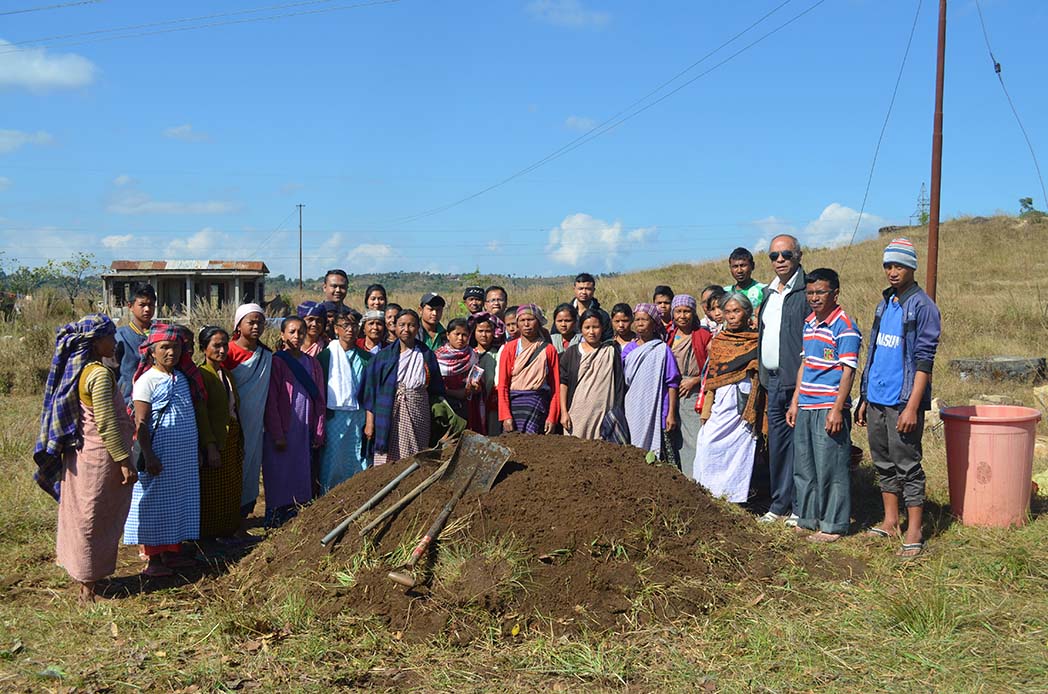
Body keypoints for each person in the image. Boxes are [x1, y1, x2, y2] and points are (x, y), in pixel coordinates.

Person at [35, 314, 136, 603]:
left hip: (82, 456)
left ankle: (86, 580)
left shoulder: (82, 372)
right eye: (110, 337)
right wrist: (124, 461)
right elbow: (106, 423)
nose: (115, 342)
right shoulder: (99, 375)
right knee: (95, 519)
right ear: (96, 342)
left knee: (83, 517)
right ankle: (89, 589)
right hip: (100, 459)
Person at [856, 238, 941, 559]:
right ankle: (891, 520)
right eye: (888, 266)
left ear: (912, 267)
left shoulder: (923, 306)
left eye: (899, 266)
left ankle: (914, 528)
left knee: (907, 464)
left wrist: (912, 406)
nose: (892, 272)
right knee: (882, 461)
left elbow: (924, 361)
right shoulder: (885, 303)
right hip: (877, 397)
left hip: (902, 400)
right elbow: (875, 352)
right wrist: (864, 397)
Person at [785, 268, 861, 543]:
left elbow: (848, 370)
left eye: (820, 292)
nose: (814, 298)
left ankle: (833, 524)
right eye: (810, 293)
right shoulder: (809, 323)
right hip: (806, 404)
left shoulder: (844, 326)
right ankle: (808, 518)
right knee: (804, 466)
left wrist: (838, 409)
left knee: (831, 466)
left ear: (835, 293)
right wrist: (795, 401)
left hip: (828, 405)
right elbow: (805, 364)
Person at [124, 324, 205, 577]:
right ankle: (154, 559)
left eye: (176, 347)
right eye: (165, 347)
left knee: (178, 503)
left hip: (181, 459)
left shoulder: (181, 377)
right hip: (158, 456)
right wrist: (149, 456)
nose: (171, 352)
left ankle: (172, 553)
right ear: (151, 352)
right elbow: (141, 424)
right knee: (154, 505)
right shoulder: (147, 381)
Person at [756, 234, 807, 524]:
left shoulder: (807, 290)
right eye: (774, 256)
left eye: (785, 255)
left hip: (799, 381)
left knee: (800, 445)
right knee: (777, 445)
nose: (779, 261)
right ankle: (779, 504)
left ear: (798, 256)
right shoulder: (768, 293)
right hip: (772, 380)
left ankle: (800, 507)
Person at [693, 293, 764, 503]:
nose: (732, 316)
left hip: (744, 402)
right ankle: (708, 494)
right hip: (721, 401)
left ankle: (734, 497)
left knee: (740, 449)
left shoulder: (755, 340)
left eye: (737, 311)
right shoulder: (719, 342)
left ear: (746, 313)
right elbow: (712, 379)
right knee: (707, 444)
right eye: (728, 312)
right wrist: (707, 410)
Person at [263, 317, 325, 526]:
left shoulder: (313, 363)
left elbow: (319, 398)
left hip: (304, 428)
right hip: (283, 428)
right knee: (279, 471)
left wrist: (318, 429)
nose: (296, 336)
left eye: (300, 332)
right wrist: (277, 433)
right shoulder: (277, 362)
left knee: (301, 471)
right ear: (282, 335)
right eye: (291, 332)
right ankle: (275, 517)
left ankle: (296, 516)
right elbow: (271, 400)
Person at [363, 309, 445, 465]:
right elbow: (371, 391)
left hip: (418, 411)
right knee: (388, 460)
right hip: (388, 413)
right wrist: (370, 422)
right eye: (402, 325)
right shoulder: (383, 357)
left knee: (416, 454)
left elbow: (436, 389)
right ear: (394, 327)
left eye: (411, 325)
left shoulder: (426, 355)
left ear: (418, 328)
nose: (406, 329)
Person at [223, 303, 272, 517]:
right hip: (233, 421)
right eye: (251, 322)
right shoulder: (228, 352)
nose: (256, 326)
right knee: (230, 469)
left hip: (255, 423)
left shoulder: (266, 355)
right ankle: (227, 519)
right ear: (238, 325)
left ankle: (242, 518)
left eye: (260, 322)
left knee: (250, 467)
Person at [196, 326, 244, 541]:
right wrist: (210, 445)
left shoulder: (227, 374)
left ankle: (229, 530)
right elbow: (202, 413)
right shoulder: (201, 375)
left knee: (231, 486)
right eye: (216, 345)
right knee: (213, 490)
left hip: (231, 437)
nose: (222, 350)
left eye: (225, 345)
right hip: (215, 440)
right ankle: (210, 535)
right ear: (203, 348)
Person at [317, 308, 372, 494]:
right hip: (334, 415)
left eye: (354, 325)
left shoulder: (367, 358)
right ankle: (328, 496)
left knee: (357, 456)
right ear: (336, 330)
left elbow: (371, 391)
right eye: (345, 325)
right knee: (333, 457)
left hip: (359, 415)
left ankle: (356, 496)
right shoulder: (325, 357)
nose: (350, 329)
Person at [622, 303, 680, 461]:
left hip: (658, 408)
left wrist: (671, 413)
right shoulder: (628, 350)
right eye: (637, 319)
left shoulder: (662, 350)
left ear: (654, 323)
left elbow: (672, 383)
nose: (640, 323)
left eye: (645, 320)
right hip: (632, 408)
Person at [559, 308, 625, 441]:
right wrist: (564, 412)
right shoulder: (571, 353)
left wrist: (617, 411)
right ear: (581, 329)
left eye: (595, 327)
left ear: (602, 328)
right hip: (576, 414)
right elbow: (563, 383)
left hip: (603, 413)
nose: (591, 332)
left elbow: (619, 384)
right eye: (587, 327)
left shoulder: (611, 351)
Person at [497, 304, 561, 434]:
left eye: (530, 320)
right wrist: (505, 416)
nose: (526, 324)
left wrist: (552, 417)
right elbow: (503, 385)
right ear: (517, 323)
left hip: (538, 406)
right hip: (514, 407)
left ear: (538, 322)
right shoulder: (509, 349)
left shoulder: (549, 350)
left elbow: (555, 387)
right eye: (522, 320)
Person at [668, 295, 712, 476]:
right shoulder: (669, 336)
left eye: (687, 311)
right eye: (678, 311)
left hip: (693, 392)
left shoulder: (703, 335)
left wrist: (695, 380)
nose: (682, 316)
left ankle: (696, 479)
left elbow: (712, 365)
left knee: (694, 437)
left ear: (693, 313)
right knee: (674, 437)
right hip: (671, 390)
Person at [435, 318, 482, 430]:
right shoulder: (437, 357)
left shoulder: (473, 355)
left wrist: (475, 387)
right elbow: (434, 386)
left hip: (467, 406)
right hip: (445, 406)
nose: (460, 338)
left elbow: (478, 382)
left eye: (464, 335)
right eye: (457, 334)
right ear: (448, 335)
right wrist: (454, 393)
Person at [114, 283, 156, 407]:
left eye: (151, 305)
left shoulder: (161, 335)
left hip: (156, 402)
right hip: (127, 403)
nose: (147, 309)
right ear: (130, 306)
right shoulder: (119, 337)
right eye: (142, 305)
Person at [470, 313, 502, 435]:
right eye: (480, 331)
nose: (484, 335)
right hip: (474, 403)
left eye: (488, 331)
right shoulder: (470, 354)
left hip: (493, 403)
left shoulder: (498, 354)